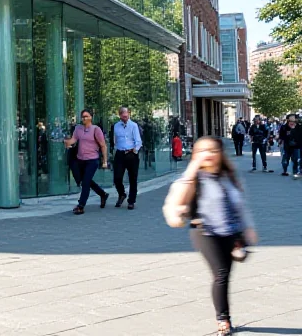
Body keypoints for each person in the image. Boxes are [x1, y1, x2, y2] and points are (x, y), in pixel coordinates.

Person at [162, 136, 257, 336]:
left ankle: (224, 315)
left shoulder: (227, 175)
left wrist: (247, 228)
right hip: (204, 231)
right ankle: (223, 319)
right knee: (221, 274)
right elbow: (179, 198)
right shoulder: (193, 178)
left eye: (213, 150)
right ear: (196, 154)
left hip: (231, 232)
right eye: (204, 151)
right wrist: (193, 166)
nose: (209, 155)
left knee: (226, 275)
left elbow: (239, 204)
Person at [64, 109, 109, 215]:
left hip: (92, 160)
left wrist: (105, 161)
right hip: (80, 160)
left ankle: (81, 206)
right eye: (83, 116)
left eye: (86, 116)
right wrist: (66, 141)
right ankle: (103, 194)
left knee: (85, 183)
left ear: (91, 117)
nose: (84, 118)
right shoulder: (78, 129)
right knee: (84, 181)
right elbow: (73, 140)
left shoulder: (96, 129)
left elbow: (103, 145)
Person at [113, 106, 142, 210]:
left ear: (128, 114)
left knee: (133, 178)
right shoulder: (116, 126)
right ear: (120, 115)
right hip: (120, 153)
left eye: (126, 115)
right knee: (117, 178)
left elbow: (138, 141)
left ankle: (131, 201)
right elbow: (115, 139)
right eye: (122, 116)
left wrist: (134, 151)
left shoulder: (133, 126)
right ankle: (122, 194)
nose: (125, 117)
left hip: (131, 153)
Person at [279, 114, 301, 178]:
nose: (292, 122)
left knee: (296, 159)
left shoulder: (299, 127)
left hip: (296, 146)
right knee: (285, 159)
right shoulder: (284, 127)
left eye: (294, 121)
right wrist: (281, 143)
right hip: (287, 146)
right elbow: (281, 136)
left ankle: (295, 171)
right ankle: (285, 170)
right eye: (291, 121)